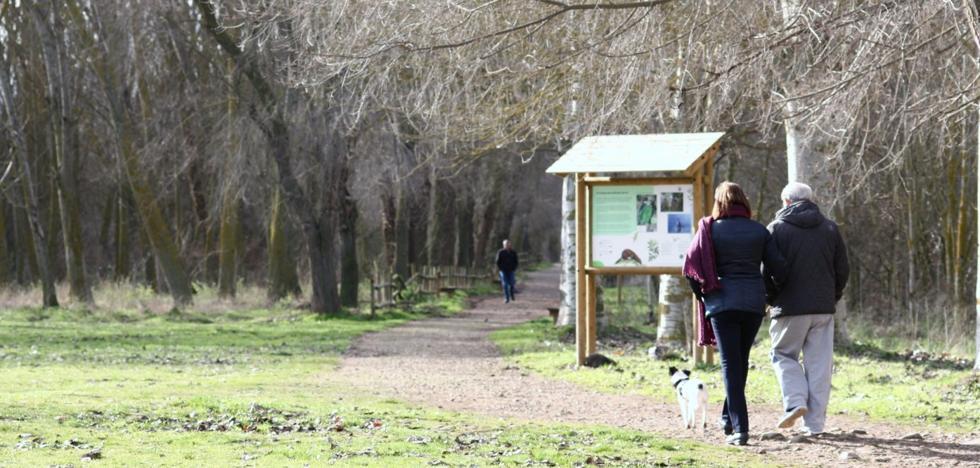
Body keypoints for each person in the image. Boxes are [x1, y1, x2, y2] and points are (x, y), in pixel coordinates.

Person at [683, 182, 786, 446]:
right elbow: (780, 270)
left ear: (720, 202)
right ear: (744, 202)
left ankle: (740, 429)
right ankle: (729, 419)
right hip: (752, 303)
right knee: (739, 362)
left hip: (722, 303)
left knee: (731, 364)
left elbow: (690, 267)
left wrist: (704, 295)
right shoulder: (759, 231)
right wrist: (767, 293)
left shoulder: (709, 230)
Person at [764, 182, 849, 436]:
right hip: (823, 308)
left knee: (783, 355)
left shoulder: (776, 229)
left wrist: (770, 298)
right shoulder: (830, 228)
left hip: (789, 307)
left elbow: (767, 271)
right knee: (819, 366)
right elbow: (842, 269)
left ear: (787, 202)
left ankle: (795, 402)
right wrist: (832, 297)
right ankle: (814, 426)